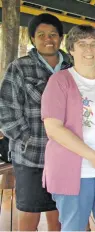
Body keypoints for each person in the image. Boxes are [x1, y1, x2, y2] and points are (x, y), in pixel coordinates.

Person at [40, 25, 95, 230]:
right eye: (82, 44)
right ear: (71, 49)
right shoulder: (59, 81)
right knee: (74, 227)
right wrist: (91, 155)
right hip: (73, 169)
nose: (89, 50)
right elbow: (53, 128)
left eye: (93, 44)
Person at [0, 13, 71, 231]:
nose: (48, 39)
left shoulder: (73, 67)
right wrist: (26, 140)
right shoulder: (20, 67)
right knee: (29, 215)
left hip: (67, 155)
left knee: (59, 215)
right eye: (41, 35)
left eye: (53, 34)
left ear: (61, 38)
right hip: (31, 156)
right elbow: (6, 110)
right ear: (32, 39)